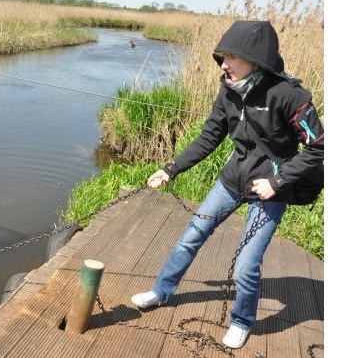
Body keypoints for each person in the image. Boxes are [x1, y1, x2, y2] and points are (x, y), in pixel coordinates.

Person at [130, 20, 324, 349]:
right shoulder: (228, 90)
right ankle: (161, 291)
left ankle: (241, 320)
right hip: (232, 180)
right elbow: (209, 137)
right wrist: (170, 169)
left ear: (256, 58)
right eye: (222, 56)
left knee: (247, 263)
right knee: (192, 234)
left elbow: (319, 146)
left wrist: (277, 181)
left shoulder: (291, 95)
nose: (224, 64)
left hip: (270, 190)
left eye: (231, 57)